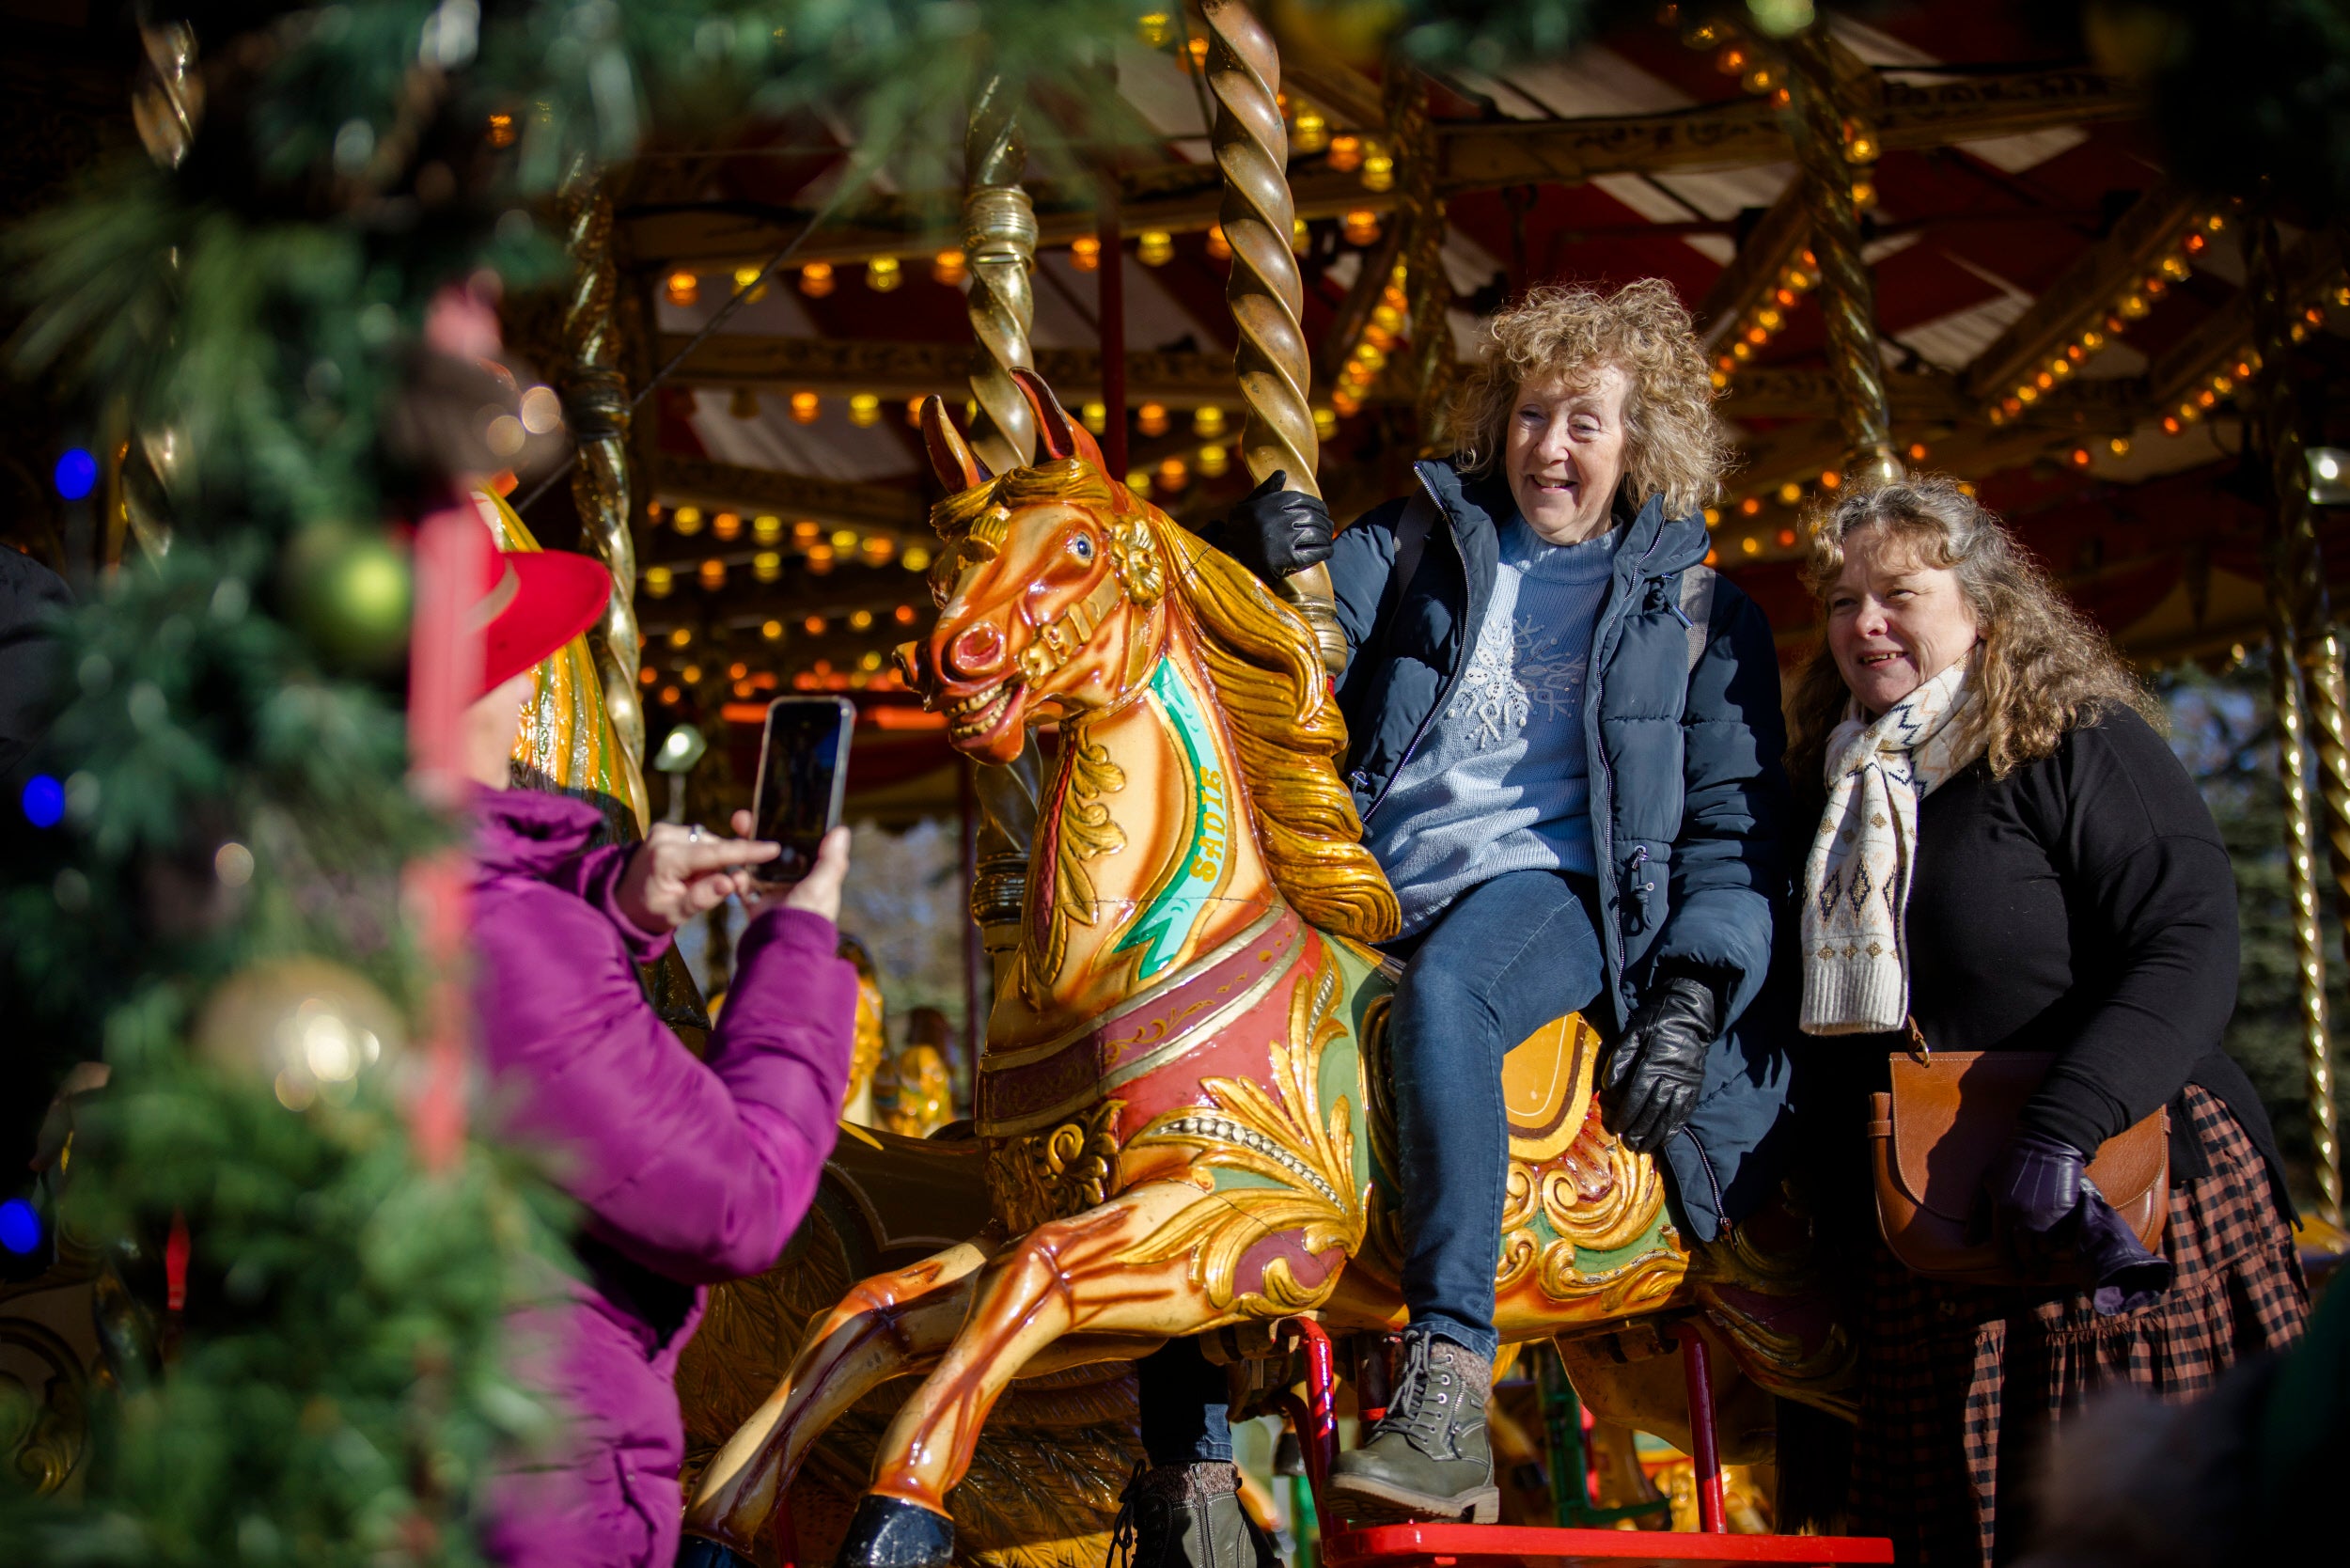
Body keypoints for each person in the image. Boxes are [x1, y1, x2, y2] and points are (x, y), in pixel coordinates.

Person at [1122, 278, 1792, 1544]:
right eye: (1536, 415)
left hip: (1561, 891)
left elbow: (1733, 823)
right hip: (1382, 880)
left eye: (1588, 422)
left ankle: (1445, 1382)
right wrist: (1237, 546)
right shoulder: (1419, 547)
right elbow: (1255, 651)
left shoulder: (1699, 612)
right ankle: (1189, 1468)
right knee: (1207, 1068)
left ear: (1641, 438)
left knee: (1453, 1000)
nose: (1554, 446)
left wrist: (1698, 995)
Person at [1785, 477, 2310, 1567]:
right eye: (1842, 601)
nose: (1864, 623)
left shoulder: (2069, 740)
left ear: (1979, 604)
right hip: (1933, 1221)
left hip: (2117, 1191)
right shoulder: (1833, 786)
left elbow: (2190, 939)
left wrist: (2065, 1125)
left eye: (1898, 592)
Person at [452, 536, 859, 1568]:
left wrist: (616, 911)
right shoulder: (498, 936)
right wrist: (796, 944)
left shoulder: (287, 880)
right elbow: (739, 1206)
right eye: (513, 659)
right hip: (530, 1491)